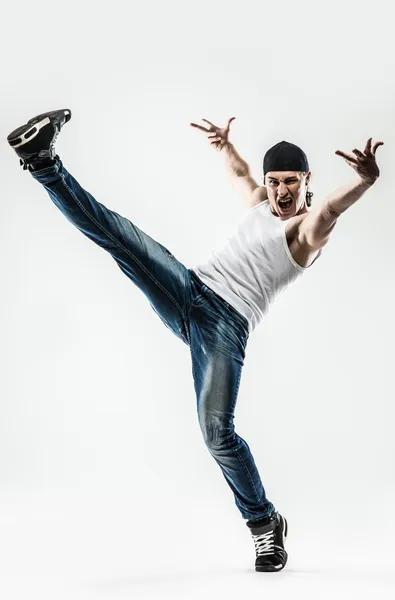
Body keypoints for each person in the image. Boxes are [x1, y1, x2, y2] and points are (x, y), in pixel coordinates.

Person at [7, 110, 383, 572]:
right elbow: (243, 176)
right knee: (118, 237)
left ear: (307, 180)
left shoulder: (305, 232)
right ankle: (42, 161)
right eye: (275, 182)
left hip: (225, 326)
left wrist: (364, 182)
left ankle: (265, 524)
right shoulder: (263, 202)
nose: (282, 192)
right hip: (189, 290)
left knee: (216, 434)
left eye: (291, 182)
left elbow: (328, 209)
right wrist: (227, 148)